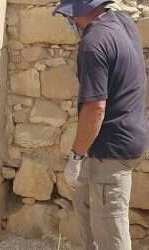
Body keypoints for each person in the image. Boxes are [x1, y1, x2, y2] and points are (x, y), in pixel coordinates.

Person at [53, 1, 149, 249]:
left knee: (111, 232)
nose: (71, 21)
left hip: (111, 149)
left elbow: (95, 108)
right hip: (123, 136)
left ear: (80, 12)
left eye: (71, 16)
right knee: (89, 213)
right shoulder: (124, 22)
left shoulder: (92, 44)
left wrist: (76, 156)